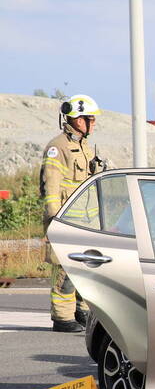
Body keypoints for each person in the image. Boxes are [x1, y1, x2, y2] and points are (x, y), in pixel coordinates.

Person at [40, 94, 110, 332]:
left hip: (88, 221)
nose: (94, 122)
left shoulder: (85, 145)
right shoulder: (57, 147)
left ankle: (81, 311)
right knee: (65, 270)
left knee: (86, 268)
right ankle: (61, 317)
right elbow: (51, 188)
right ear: (77, 119)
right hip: (67, 221)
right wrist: (54, 221)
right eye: (90, 118)